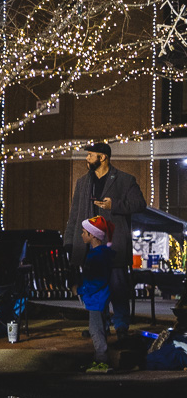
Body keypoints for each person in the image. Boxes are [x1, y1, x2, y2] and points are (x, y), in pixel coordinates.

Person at [63, 141, 145, 339]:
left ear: (102, 157)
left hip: (114, 244)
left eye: (90, 155)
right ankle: (100, 326)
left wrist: (114, 205)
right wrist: (69, 241)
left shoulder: (125, 180)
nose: (87, 158)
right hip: (91, 246)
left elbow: (139, 204)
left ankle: (121, 326)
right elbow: (74, 215)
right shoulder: (83, 182)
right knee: (95, 288)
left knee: (118, 287)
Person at [76, 215, 116, 373]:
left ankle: (102, 361)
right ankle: (100, 359)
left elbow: (97, 280)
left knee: (95, 330)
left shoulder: (97, 255)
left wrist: (80, 290)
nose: (81, 235)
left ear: (92, 235)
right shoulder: (101, 253)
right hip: (100, 299)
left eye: (84, 232)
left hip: (96, 300)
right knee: (100, 329)